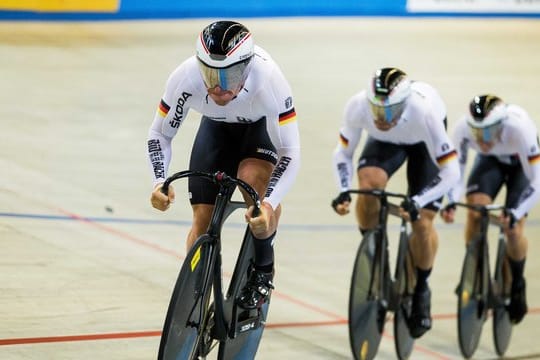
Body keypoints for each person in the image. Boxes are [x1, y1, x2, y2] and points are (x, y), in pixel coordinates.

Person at [146, 21, 300, 310]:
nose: (217, 86)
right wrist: (159, 181)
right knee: (202, 221)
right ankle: (194, 299)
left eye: (228, 76)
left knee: (255, 187)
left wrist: (269, 204)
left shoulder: (269, 81)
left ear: (246, 67)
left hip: (258, 132)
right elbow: (160, 134)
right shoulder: (186, 77)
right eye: (209, 74)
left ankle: (264, 270)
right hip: (216, 131)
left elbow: (290, 151)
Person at [331, 67, 460, 338]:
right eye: (376, 110)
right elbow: (343, 155)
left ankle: (422, 288)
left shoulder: (425, 113)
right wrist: (344, 190)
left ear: (403, 104)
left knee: (422, 221)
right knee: (367, 184)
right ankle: (375, 251)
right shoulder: (358, 106)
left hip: (423, 143)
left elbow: (452, 171)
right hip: (387, 143)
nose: (381, 118)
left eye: (389, 111)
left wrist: (419, 200)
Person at [440, 94, 540, 324]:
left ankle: (517, 282)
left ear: (501, 124)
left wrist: (515, 213)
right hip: (490, 161)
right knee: (475, 212)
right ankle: (477, 272)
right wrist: (451, 201)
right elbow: (456, 171)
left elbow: (537, 180)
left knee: (513, 230)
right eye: (477, 131)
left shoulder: (520, 128)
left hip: (521, 167)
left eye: (487, 131)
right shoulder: (462, 129)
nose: (482, 139)